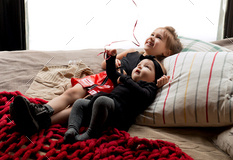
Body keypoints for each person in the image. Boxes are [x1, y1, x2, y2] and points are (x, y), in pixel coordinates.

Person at [10, 26, 182, 136]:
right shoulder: (132, 52)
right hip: (104, 76)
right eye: (152, 33)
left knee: (80, 104)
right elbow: (103, 64)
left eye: (159, 38)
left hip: (115, 87)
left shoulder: (157, 67)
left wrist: (161, 82)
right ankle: (43, 110)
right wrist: (112, 60)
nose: (152, 37)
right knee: (71, 92)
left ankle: (41, 123)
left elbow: (153, 85)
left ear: (167, 52)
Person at [64, 49, 169, 143]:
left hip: (119, 114)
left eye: (147, 67)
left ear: (154, 79)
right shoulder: (127, 79)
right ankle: (72, 129)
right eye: (138, 65)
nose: (140, 66)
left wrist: (125, 79)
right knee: (79, 103)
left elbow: (143, 95)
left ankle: (91, 134)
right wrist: (111, 58)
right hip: (104, 107)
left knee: (102, 101)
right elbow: (111, 73)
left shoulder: (149, 87)